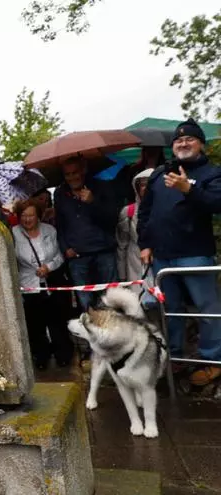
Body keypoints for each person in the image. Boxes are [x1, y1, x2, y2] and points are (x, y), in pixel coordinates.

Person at [138, 118, 221, 386]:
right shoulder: (159, 174)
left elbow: (216, 204)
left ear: (200, 144)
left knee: (206, 309)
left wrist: (190, 189)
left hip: (195, 253)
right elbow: (146, 213)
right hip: (163, 255)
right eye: (178, 140)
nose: (183, 143)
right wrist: (145, 244)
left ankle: (212, 360)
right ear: (172, 146)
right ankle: (174, 358)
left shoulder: (212, 173)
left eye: (189, 139)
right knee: (170, 311)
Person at [12, 199, 74, 369]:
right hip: (28, 283)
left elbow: (60, 256)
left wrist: (49, 267)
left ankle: (63, 354)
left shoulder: (50, 230)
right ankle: (41, 356)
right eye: (23, 216)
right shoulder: (14, 233)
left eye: (31, 215)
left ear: (38, 216)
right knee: (35, 323)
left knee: (57, 320)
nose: (27, 219)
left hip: (52, 281)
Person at [54, 156, 119, 312]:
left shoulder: (102, 187)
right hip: (77, 257)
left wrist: (92, 202)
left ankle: (114, 333)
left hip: (104, 251)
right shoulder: (60, 193)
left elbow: (113, 218)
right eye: (67, 174)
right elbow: (59, 224)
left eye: (75, 172)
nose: (71, 177)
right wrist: (65, 248)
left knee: (111, 298)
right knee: (86, 303)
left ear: (83, 170)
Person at [116, 168, 157, 313]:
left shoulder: (169, 209)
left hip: (162, 261)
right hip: (134, 265)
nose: (147, 188)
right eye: (143, 184)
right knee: (139, 306)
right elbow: (122, 245)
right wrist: (122, 276)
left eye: (151, 183)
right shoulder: (128, 212)